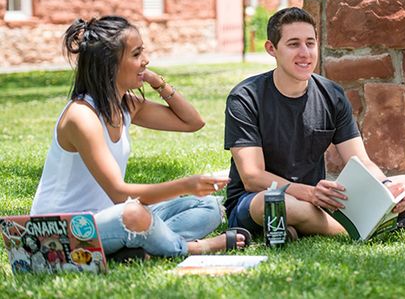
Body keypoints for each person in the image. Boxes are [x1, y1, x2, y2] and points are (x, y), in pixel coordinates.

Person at [31, 16, 248, 260]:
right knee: (133, 214)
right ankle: (191, 247)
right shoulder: (81, 116)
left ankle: (138, 249)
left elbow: (192, 122)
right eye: (136, 55)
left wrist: (157, 82)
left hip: (107, 217)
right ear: (109, 64)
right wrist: (185, 185)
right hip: (55, 234)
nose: (145, 60)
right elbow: (119, 193)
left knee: (207, 207)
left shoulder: (125, 105)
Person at [224, 7, 405, 238]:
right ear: (271, 49)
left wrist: (385, 189)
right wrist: (308, 194)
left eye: (310, 43)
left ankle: (301, 226)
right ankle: (370, 230)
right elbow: (252, 177)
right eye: (294, 44)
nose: (305, 53)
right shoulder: (245, 97)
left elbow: (361, 161)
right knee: (273, 203)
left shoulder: (331, 94)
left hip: (317, 199)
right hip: (258, 198)